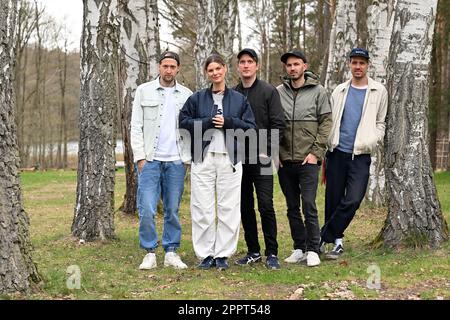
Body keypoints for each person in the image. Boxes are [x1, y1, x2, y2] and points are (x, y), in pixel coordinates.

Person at [179, 53, 256, 271]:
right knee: (202, 207)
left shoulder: (239, 100)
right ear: (207, 73)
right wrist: (206, 123)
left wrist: (228, 122)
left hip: (229, 160)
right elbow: (183, 123)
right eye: (210, 70)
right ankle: (205, 254)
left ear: (224, 69)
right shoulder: (196, 98)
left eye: (218, 69)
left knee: (228, 208)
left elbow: (250, 128)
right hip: (202, 159)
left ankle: (222, 254)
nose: (215, 73)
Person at [320, 48, 388, 259]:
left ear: (368, 65)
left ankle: (322, 236)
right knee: (333, 199)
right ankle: (336, 242)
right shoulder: (339, 90)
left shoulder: (378, 90)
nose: (358, 67)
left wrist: (373, 139)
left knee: (354, 198)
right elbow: (330, 119)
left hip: (360, 155)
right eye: (354, 62)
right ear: (349, 64)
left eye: (362, 63)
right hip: (337, 153)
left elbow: (381, 121)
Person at [130, 51, 192, 270]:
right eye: (165, 66)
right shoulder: (143, 91)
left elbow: (190, 130)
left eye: (172, 67)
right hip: (150, 160)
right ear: (159, 67)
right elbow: (135, 126)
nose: (168, 70)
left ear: (178, 68)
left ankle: (171, 251)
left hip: (176, 161)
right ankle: (149, 251)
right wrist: (140, 158)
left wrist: (187, 159)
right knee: (146, 208)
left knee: (172, 209)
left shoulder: (186, 95)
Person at [277, 50, 332, 267]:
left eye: (296, 64)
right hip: (284, 161)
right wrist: (276, 153)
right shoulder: (278, 92)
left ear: (304, 66)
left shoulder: (319, 91)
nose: (292, 68)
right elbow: (273, 122)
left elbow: (326, 123)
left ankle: (313, 249)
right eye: (289, 65)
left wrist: (315, 152)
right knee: (291, 207)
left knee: (308, 204)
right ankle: (299, 247)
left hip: (308, 159)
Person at [233, 48, 286, 270]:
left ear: (257, 66)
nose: (246, 65)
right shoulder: (233, 93)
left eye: (250, 61)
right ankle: (253, 251)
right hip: (240, 160)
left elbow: (278, 124)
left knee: (266, 205)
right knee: (245, 206)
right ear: (238, 67)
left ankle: (272, 253)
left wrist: (269, 151)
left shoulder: (268, 91)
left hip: (263, 158)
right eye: (242, 62)